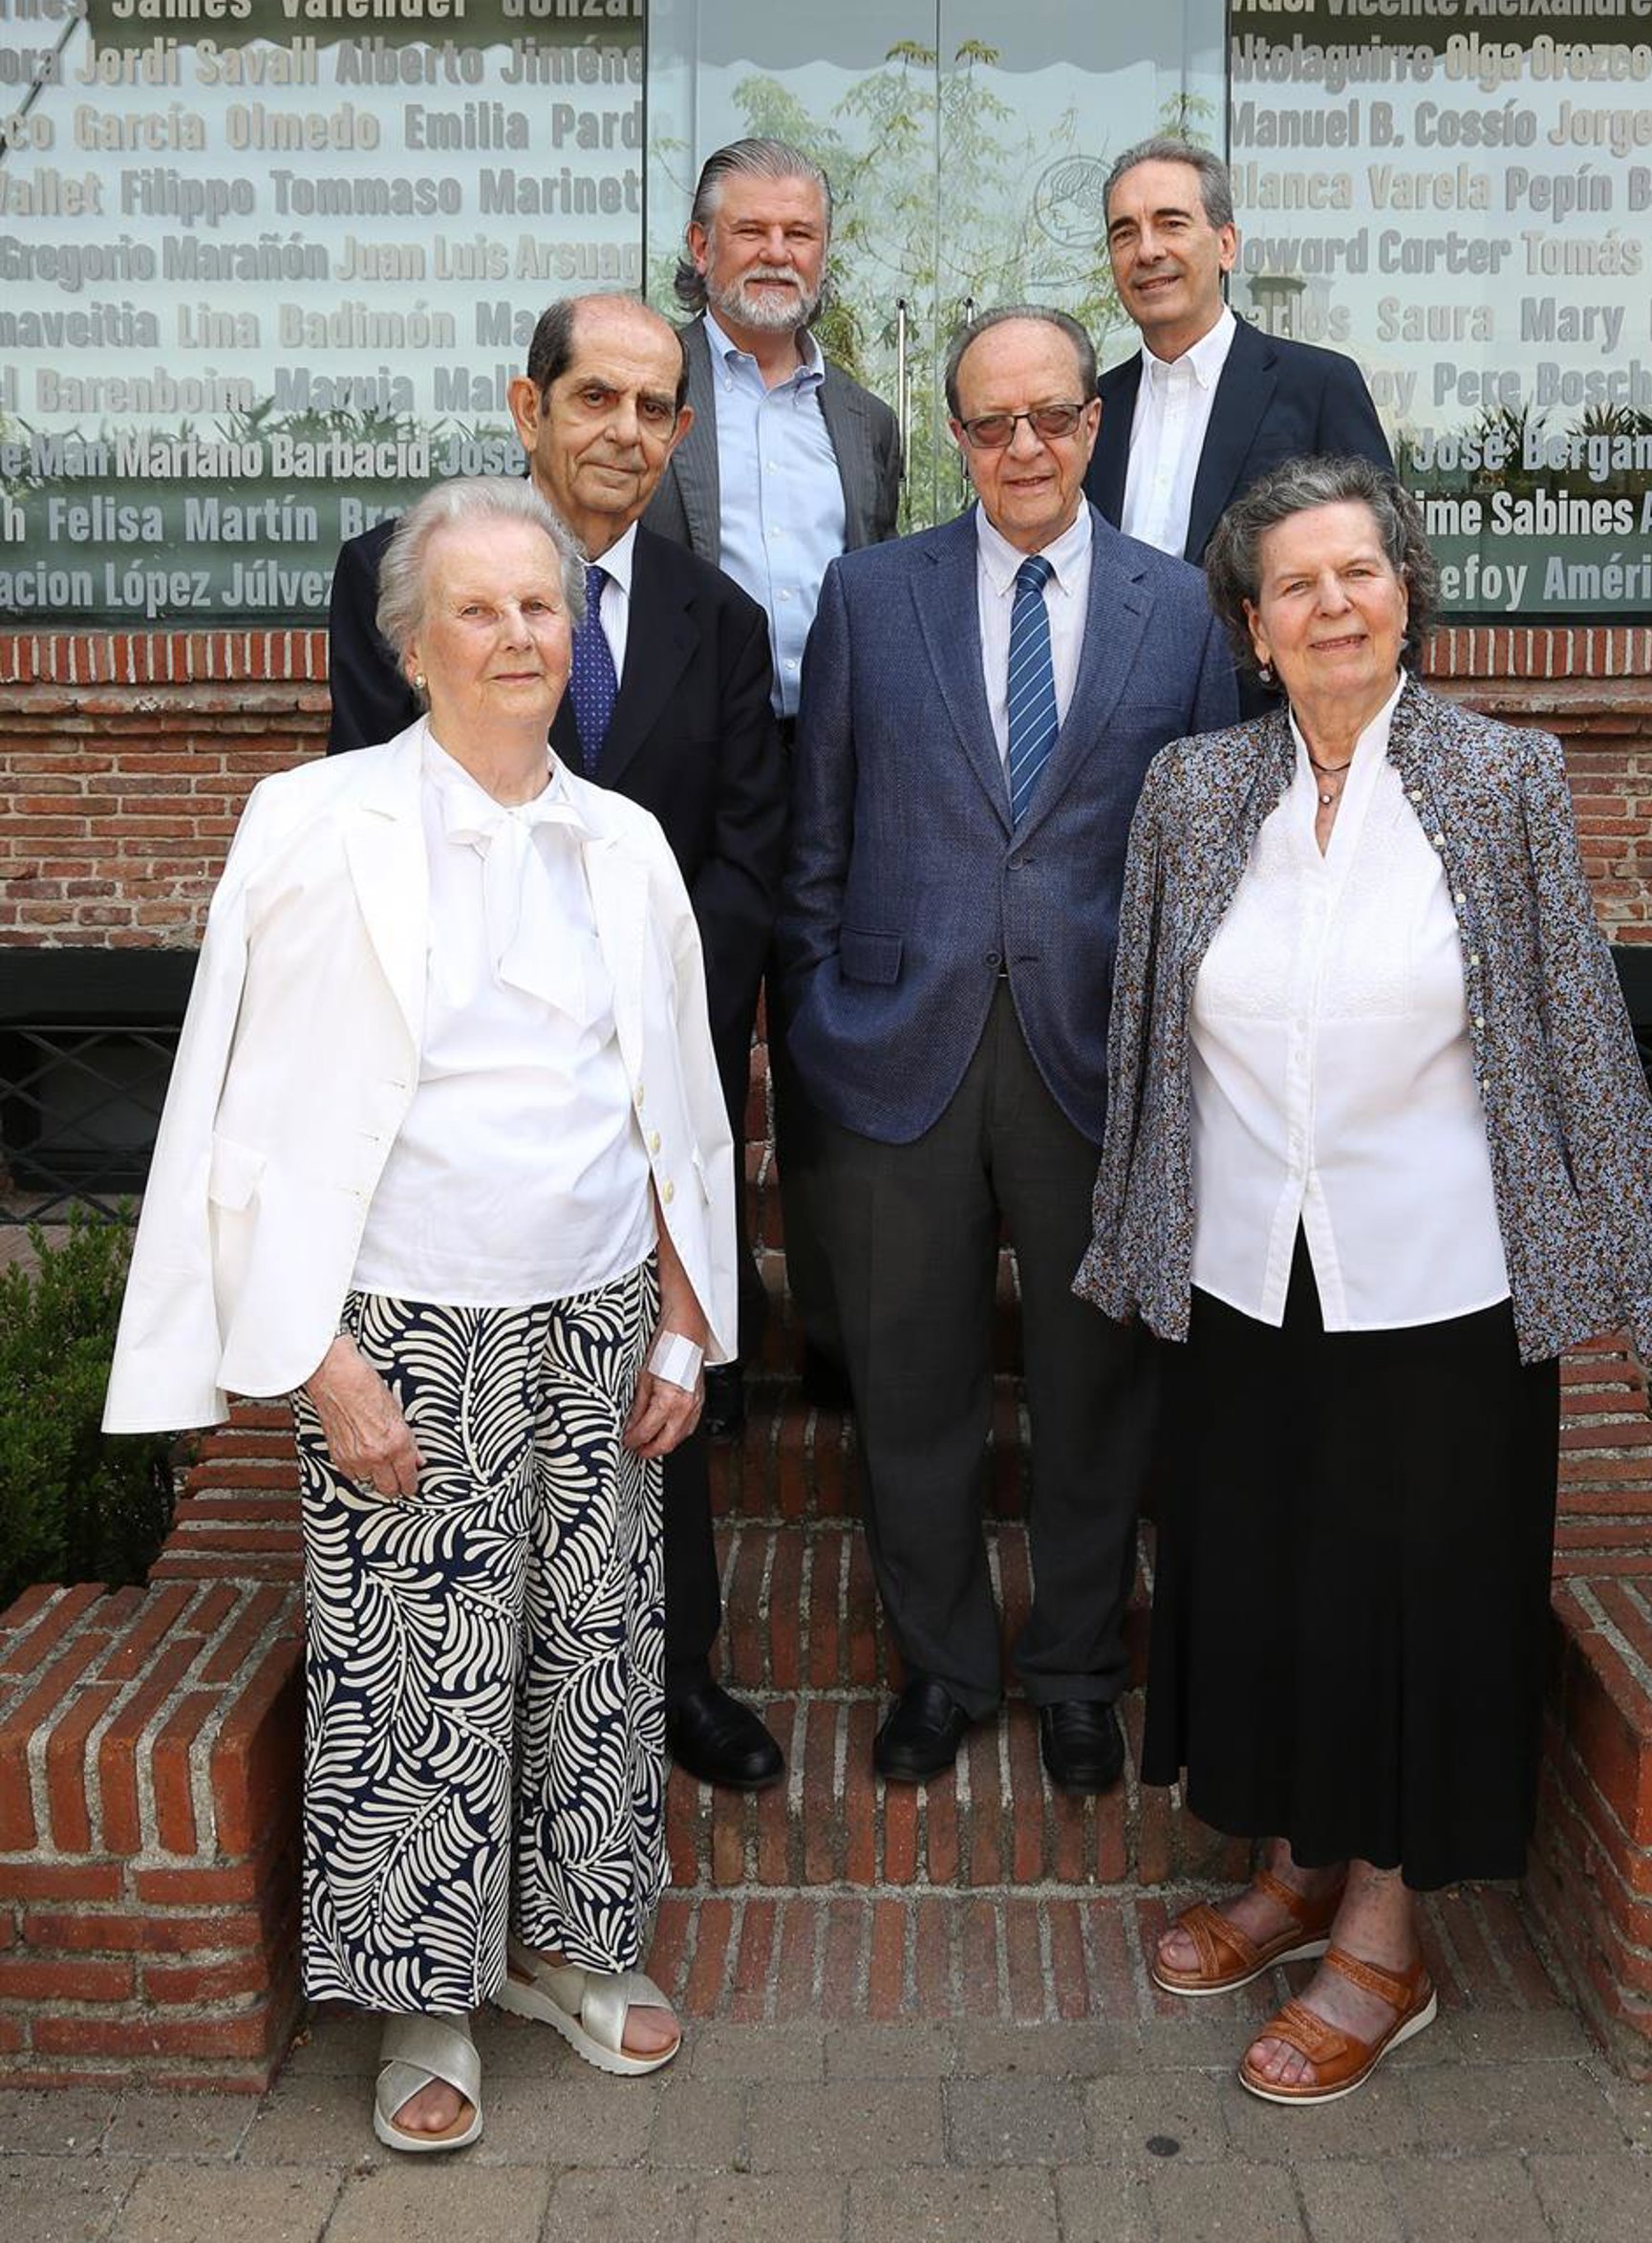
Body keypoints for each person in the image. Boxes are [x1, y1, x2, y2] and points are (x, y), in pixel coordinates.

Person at [105, 478, 737, 2154]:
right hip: (402, 1326)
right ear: (410, 644)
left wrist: (684, 1322)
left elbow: (675, 1102)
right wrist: (315, 1356)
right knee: (414, 1680)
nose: (520, 633)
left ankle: (566, 1947)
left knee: (594, 1654)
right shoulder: (308, 822)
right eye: (480, 607)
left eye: (542, 605)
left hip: (597, 1317)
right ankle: (423, 1999)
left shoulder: (627, 842)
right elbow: (240, 1110)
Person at [1078, 453, 1652, 2105]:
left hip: (1440, 1280)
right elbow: (1146, 1031)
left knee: (1416, 1601)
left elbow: (1573, 1019)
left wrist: (1634, 1252)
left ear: (1407, 595)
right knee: (1269, 1581)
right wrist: (1134, 1233)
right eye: (1295, 583)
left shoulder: (1501, 776)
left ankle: (1386, 1933)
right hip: (1244, 1278)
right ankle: (1296, 1866)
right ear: (1253, 627)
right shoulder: (1197, 789)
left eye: (1360, 571)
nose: (1332, 603)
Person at [326, 294, 786, 1796]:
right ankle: (477, 1715)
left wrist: (654, 1025)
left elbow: (745, 861)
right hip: (449, 1098)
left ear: (682, 432)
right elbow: (373, 813)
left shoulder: (723, 623)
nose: (624, 432)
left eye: (655, 408)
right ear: (528, 407)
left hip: (643, 1081)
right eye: (596, 396)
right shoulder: (395, 579)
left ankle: (676, 1671)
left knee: (658, 1385)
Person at [779, 305, 1237, 1791]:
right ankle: (944, 1668)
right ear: (957, 436)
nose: (1023, 445)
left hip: (1094, 1053)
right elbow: (818, 833)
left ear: (1092, 424)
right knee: (911, 1384)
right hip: (895, 1049)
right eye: (992, 422)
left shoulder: (1182, 607)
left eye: (1050, 415)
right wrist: (819, 1015)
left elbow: (1212, 858)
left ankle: (1079, 1671)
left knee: (1094, 1389)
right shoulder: (869, 595)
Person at [647, 135, 905, 1408]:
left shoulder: (866, 421)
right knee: (688, 1051)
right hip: (689, 767)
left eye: (798, 233)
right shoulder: (650, 388)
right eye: (749, 230)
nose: (775, 254)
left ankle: (842, 1341)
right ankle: (711, 1344)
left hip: (830, 765)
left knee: (825, 1057)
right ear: (701, 248)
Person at [1086, 140, 1389, 710]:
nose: (1147, 250)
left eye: (1171, 224)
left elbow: (1388, 576)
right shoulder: (1092, 411)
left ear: (1226, 245)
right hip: (1116, 739)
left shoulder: (1318, 387)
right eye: (1124, 233)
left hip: (1273, 733)